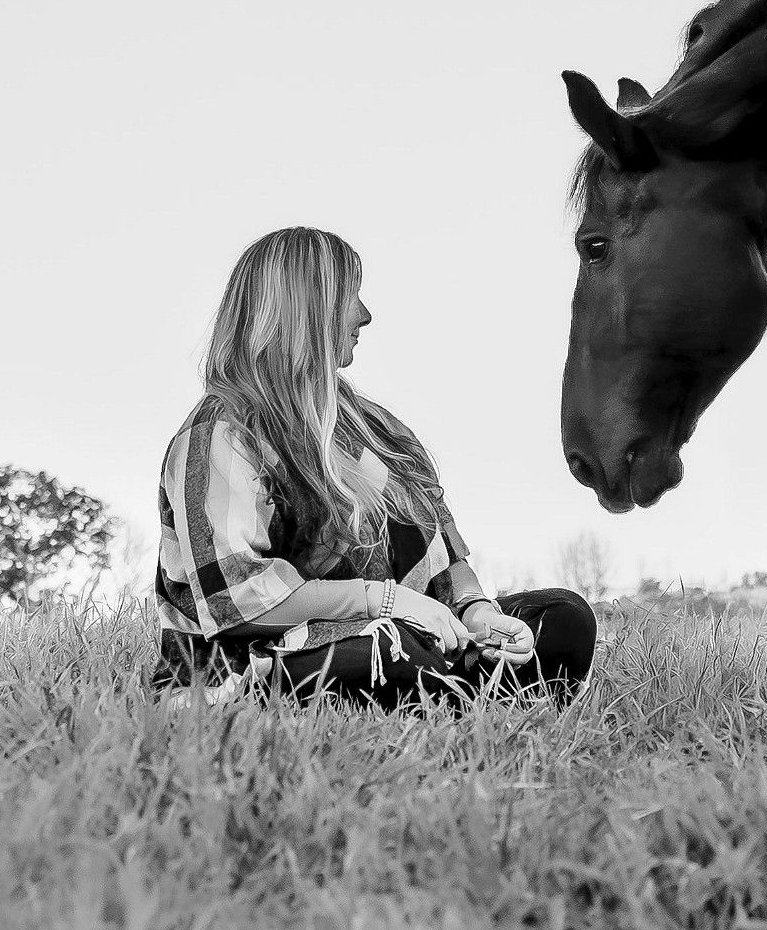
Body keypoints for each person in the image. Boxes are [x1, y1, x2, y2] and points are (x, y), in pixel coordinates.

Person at [153, 227, 595, 706]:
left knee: (564, 617)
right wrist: (381, 601)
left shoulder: (378, 430)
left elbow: (446, 560)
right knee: (392, 650)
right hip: (269, 653)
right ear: (305, 310)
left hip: (411, 638)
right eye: (349, 298)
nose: (365, 315)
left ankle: (457, 700)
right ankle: (242, 699)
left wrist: (477, 613)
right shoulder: (221, 433)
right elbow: (241, 599)